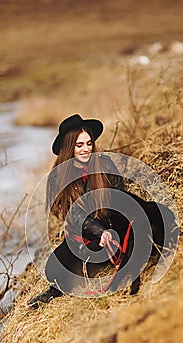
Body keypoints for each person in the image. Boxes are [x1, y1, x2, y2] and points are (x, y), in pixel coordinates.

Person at [28, 114, 125, 309]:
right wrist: (99, 233)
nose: (86, 149)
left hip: (111, 225)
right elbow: (74, 216)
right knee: (55, 268)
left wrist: (110, 231)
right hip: (83, 232)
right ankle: (55, 290)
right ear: (69, 148)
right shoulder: (58, 177)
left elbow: (121, 199)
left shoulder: (105, 164)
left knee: (99, 255)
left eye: (89, 143)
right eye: (79, 145)